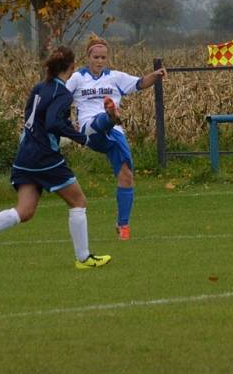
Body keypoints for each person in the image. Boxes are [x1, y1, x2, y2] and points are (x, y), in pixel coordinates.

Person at [0, 46, 111, 269]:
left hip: (26, 154)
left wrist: (58, 132)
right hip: (44, 157)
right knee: (78, 201)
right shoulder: (62, 93)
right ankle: (84, 259)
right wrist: (81, 138)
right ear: (71, 68)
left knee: (25, 211)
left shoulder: (39, 88)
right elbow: (53, 123)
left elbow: (34, 119)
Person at [65, 36, 167, 241]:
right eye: (96, 57)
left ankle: (123, 226)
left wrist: (155, 75)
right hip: (89, 128)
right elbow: (61, 99)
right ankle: (110, 114)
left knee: (127, 174)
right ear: (88, 56)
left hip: (114, 134)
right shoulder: (77, 78)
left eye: (103, 57)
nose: (100, 61)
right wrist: (64, 123)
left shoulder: (115, 77)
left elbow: (139, 83)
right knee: (102, 121)